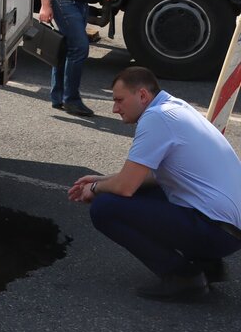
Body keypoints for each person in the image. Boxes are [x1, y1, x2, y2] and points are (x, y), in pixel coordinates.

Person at [68, 67, 241, 300]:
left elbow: (126, 187)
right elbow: (156, 177)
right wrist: (103, 179)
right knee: (147, 190)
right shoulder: (176, 107)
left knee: (105, 207)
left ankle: (184, 277)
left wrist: (96, 190)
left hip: (216, 232)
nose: (114, 108)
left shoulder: (156, 118)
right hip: (228, 231)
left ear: (142, 95)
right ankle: (208, 264)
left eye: (119, 100)